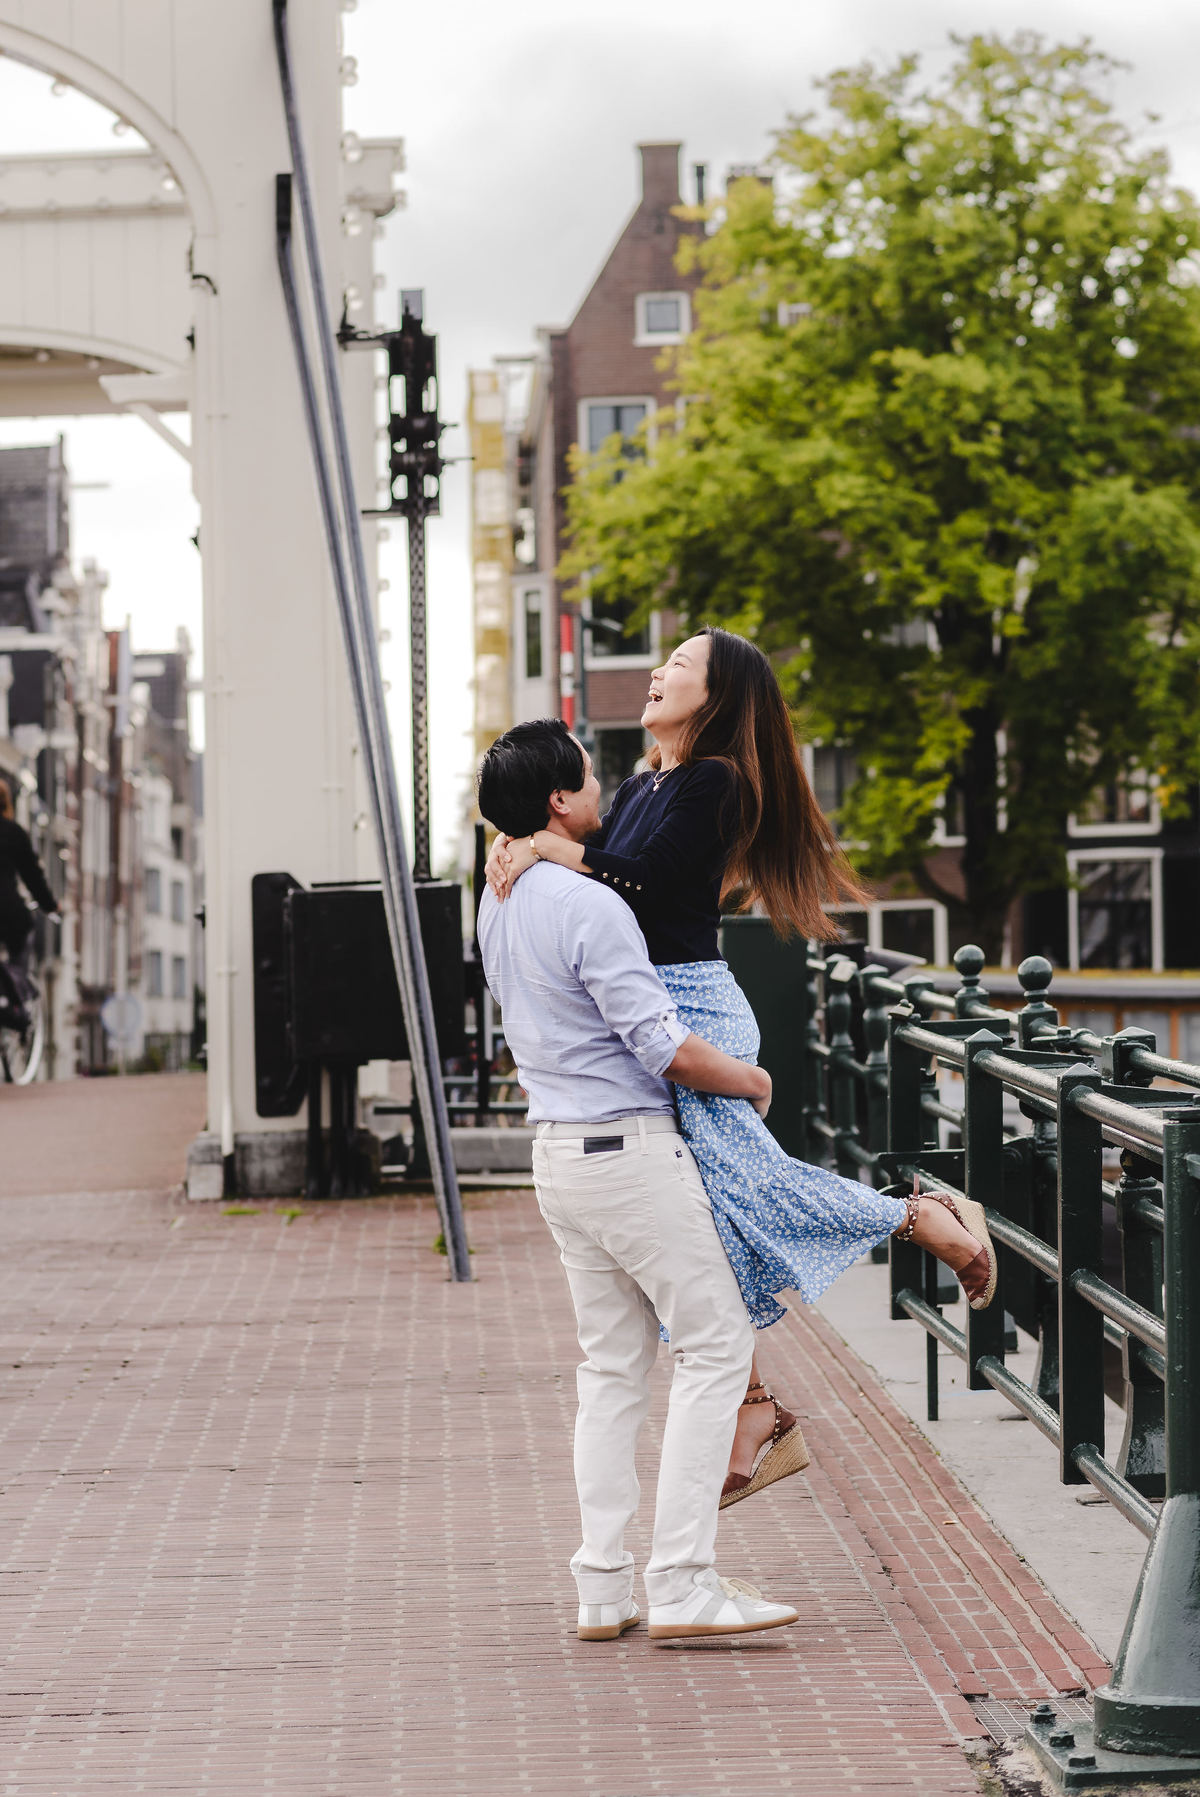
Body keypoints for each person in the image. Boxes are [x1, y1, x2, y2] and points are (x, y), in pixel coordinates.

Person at [487, 628, 996, 1508]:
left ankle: (924, 1217)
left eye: (679, 666)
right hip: (651, 1011)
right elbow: (595, 877)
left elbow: (641, 884)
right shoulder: (646, 779)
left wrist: (548, 849)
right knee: (703, 1220)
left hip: (694, 1011)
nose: (656, 674)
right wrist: (524, 839)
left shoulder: (714, 781)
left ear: (718, 697)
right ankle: (757, 1406)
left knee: (747, 1190)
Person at [476, 718, 800, 1645]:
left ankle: (602, 1586)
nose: (602, 791)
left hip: (557, 1155)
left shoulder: (498, 896)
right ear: (559, 802)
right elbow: (661, 1046)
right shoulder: (593, 908)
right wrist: (751, 1077)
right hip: (629, 1153)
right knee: (715, 1343)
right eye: (589, 780)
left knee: (611, 1368)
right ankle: (685, 1580)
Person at [0, 777, 58, 1020]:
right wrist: (51, 905)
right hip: (7, 911)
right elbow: (32, 875)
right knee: (21, 943)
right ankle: (17, 1004)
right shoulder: (13, 832)